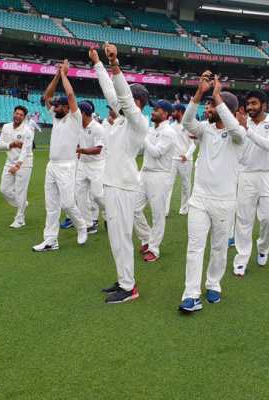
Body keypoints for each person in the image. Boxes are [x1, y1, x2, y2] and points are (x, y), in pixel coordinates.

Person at [179, 72, 245, 313]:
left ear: (224, 108)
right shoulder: (204, 130)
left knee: (218, 248)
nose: (207, 107)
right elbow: (187, 123)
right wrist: (199, 93)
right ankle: (190, 293)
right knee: (194, 247)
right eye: (207, 104)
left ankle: (213, 283)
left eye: (210, 104)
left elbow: (236, 130)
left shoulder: (238, 135)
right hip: (199, 199)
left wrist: (217, 96)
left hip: (225, 201)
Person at [90, 44, 149, 304]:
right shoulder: (123, 119)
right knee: (116, 238)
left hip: (124, 187)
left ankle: (129, 288)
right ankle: (124, 279)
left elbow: (122, 96)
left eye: (128, 99)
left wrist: (114, 63)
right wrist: (98, 64)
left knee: (121, 238)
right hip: (114, 185)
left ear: (138, 103)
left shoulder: (138, 122)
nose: (119, 101)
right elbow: (113, 93)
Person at [32, 60, 88, 252]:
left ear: (66, 107)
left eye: (58, 106)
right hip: (52, 165)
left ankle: (82, 226)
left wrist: (65, 74)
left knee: (67, 203)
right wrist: (57, 74)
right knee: (52, 205)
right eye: (54, 106)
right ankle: (50, 240)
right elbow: (47, 95)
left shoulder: (74, 117)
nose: (54, 108)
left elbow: (71, 94)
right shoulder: (56, 119)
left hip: (67, 166)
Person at [231, 90, 269, 277]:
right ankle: (241, 258)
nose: (250, 107)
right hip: (246, 175)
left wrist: (246, 129)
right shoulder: (240, 125)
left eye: (254, 103)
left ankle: (263, 247)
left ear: (264, 105)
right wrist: (241, 127)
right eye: (248, 104)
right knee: (244, 220)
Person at [134, 99, 176, 262]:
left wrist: (142, 136)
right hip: (144, 173)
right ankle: (146, 238)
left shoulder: (169, 133)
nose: (153, 112)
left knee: (158, 215)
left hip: (160, 175)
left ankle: (154, 249)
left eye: (157, 110)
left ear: (166, 114)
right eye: (153, 109)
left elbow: (156, 152)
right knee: (134, 209)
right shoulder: (151, 130)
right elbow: (141, 150)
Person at [0, 105, 35, 228]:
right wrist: (11, 144)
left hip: (24, 164)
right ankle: (22, 203)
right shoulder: (6, 127)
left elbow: (26, 150)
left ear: (24, 117)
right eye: (16, 113)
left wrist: (18, 165)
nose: (18, 116)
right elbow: (0, 145)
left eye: (21, 115)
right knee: (4, 190)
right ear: (13, 113)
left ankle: (20, 219)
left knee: (20, 191)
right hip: (9, 162)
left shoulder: (27, 130)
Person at [74, 100, 106, 234]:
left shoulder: (97, 128)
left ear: (83, 113)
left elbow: (98, 149)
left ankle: (112, 214)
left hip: (96, 165)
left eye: (77, 112)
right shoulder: (78, 126)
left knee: (97, 195)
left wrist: (81, 150)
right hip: (82, 165)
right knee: (79, 195)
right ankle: (89, 224)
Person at [165, 103, 196, 216]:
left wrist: (187, 155)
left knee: (186, 185)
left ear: (181, 112)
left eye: (174, 111)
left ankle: (184, 209)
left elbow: (194, 144)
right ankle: (165, 211)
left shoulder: (189, 126)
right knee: (168, 185)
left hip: (186, 160)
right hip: (173, 159)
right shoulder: (171, 126)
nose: (172, 113)